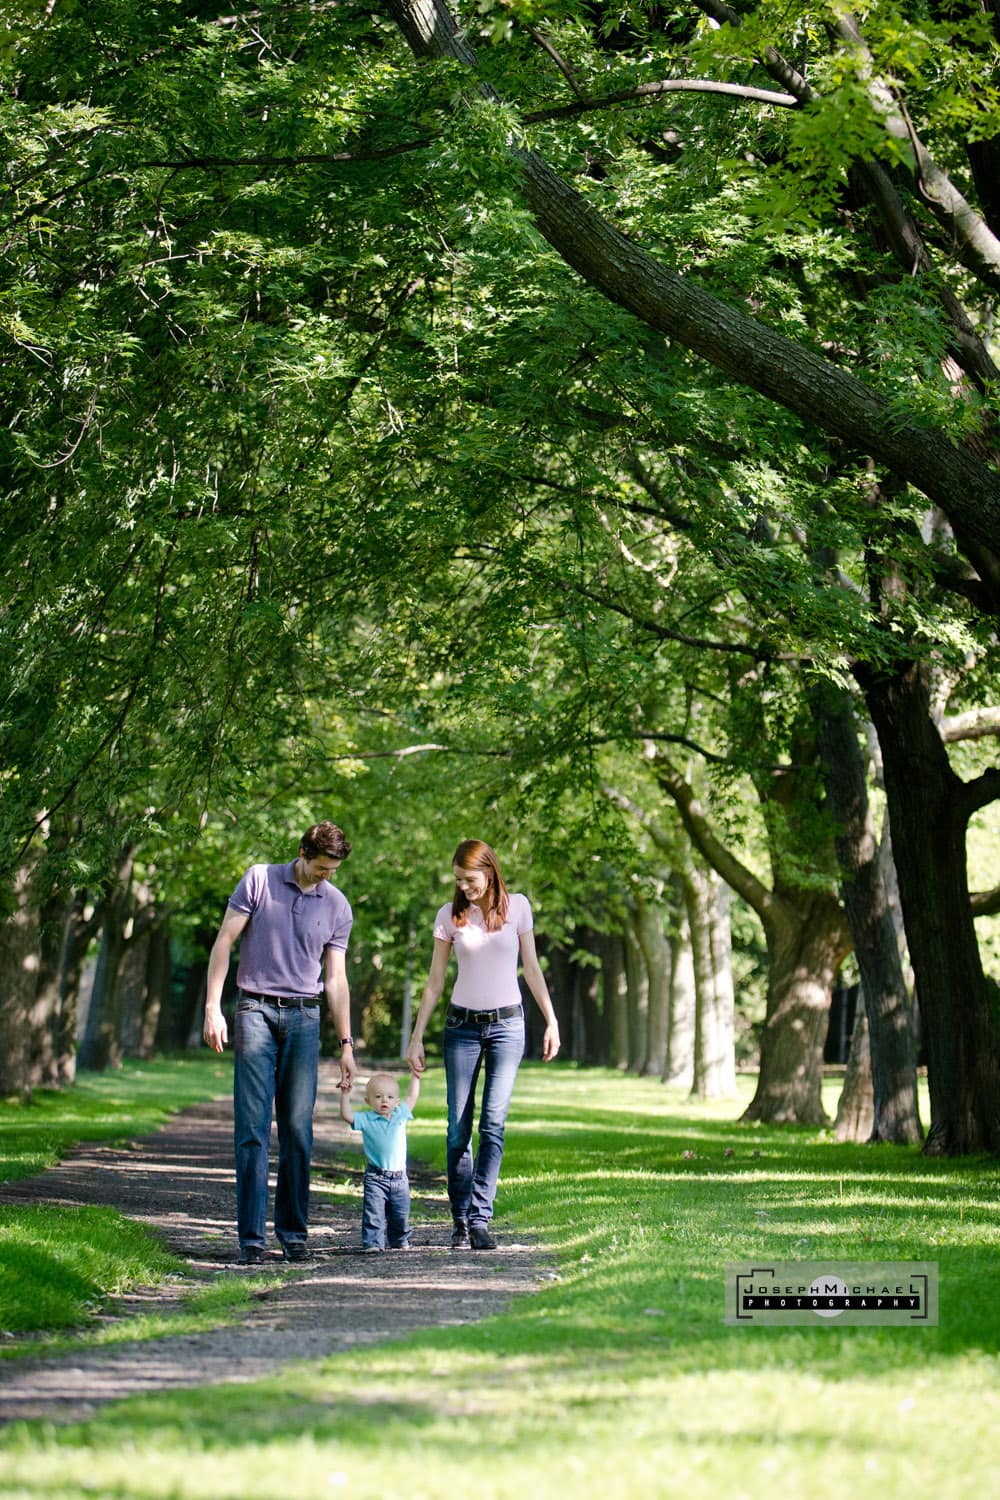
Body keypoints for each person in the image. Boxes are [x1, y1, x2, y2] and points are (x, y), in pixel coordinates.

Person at [202, 821, 357, 1265]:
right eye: (322, 867)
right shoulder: (259, 879)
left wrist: (346, 1043)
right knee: (251, 1129)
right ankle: (251, 1239)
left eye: (334, 870)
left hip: (305, 1017)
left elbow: (337, 980)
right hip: (255, 1010)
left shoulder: (337, 905)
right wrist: (213, 1007)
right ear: (303, 854)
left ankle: (293, 1234)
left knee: (297, 1131)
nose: (327, 876)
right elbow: (224, 942)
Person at [406, 839, 560, 1251]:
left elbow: (531, 969)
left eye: (470, 879)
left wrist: (551, 1020)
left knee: (493, 1124)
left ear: (490, 872)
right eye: (458, 879)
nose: (464, 886)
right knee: (458, 1128)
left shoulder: (519, 908)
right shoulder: (449, 916)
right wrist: (417, 1034)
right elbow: (436, 980)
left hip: (508, 1026)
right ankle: (459, 1218)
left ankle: (479, 1219)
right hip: (462, 1028)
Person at [340, 1070, 420, 1251]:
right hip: (376, 1177)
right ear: (368, 1101)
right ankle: (373, 1243)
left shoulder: (401, 1114)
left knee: (400, 1214)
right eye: (378, 1096)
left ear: (397, 1102)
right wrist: (345, 1095)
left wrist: (416, 1076)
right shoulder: (366, 1119)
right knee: (374, 1213)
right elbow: (347, 1116)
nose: (384, 1100)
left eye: (390, 1097)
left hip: (400, 1178)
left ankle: (399, 1240)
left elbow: (412, 1096)